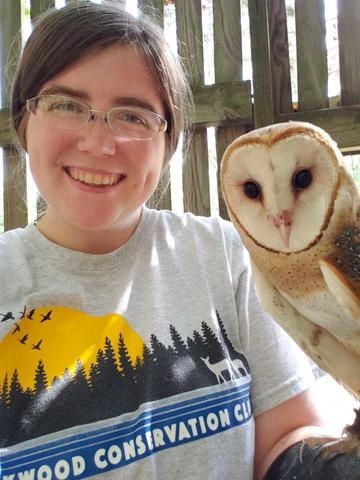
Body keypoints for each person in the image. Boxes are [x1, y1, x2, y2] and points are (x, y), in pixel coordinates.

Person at [0, 2, 356, 479]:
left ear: (168, 142)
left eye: (132, 116)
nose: (99, 143)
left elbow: (285, 438)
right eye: (66, 105)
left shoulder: (223, 255)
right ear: (24, 120)